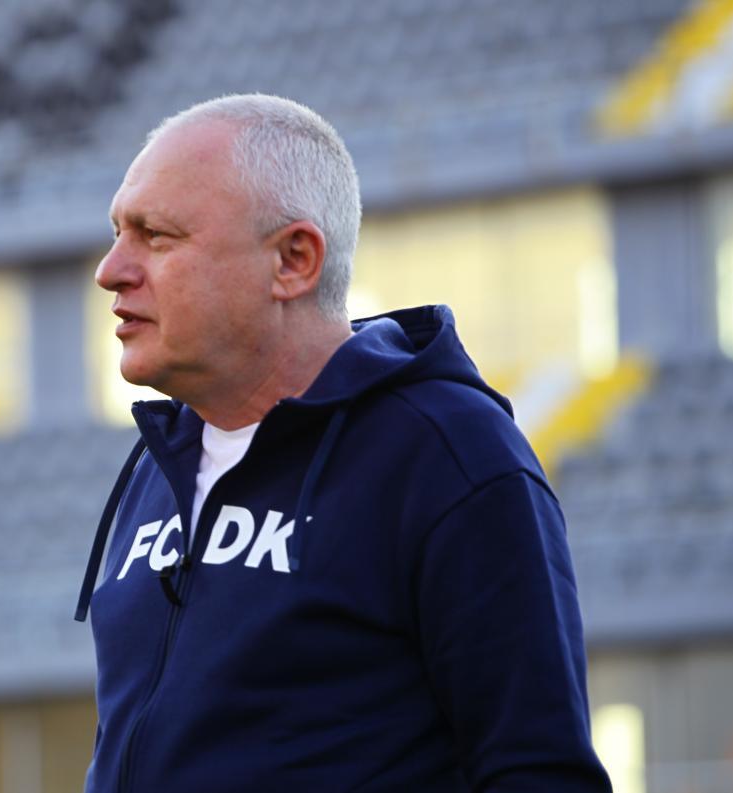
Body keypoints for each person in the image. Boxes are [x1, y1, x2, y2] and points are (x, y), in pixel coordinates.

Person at [74, 94, 611, 793]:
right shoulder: (158, 462)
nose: (111, 269)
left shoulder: (445, 452)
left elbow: (537, 771)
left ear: (293, 260)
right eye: (118, 232)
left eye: (156, 236)